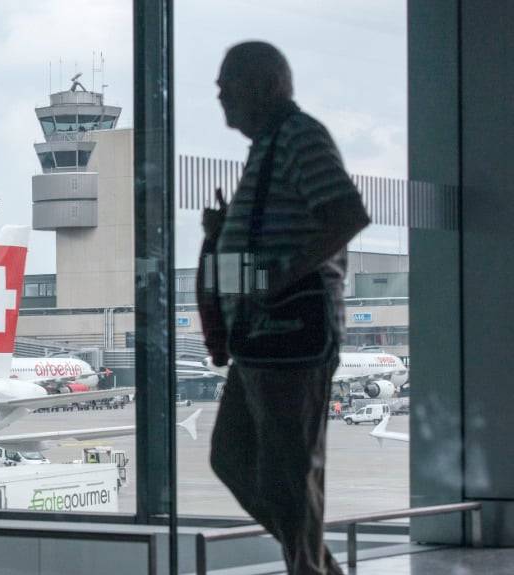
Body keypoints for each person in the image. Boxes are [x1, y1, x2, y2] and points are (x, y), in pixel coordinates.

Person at [204, 43, 370, 575]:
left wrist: (281, 275)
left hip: (288, 337)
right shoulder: (271, 147)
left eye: (230, 81)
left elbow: (345, 214)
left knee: (289, 472)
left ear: (268, 84)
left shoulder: (299, 137)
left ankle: (310, 567)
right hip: (261, 338)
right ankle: (316, 564)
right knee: (236, 459)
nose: (220, 92)